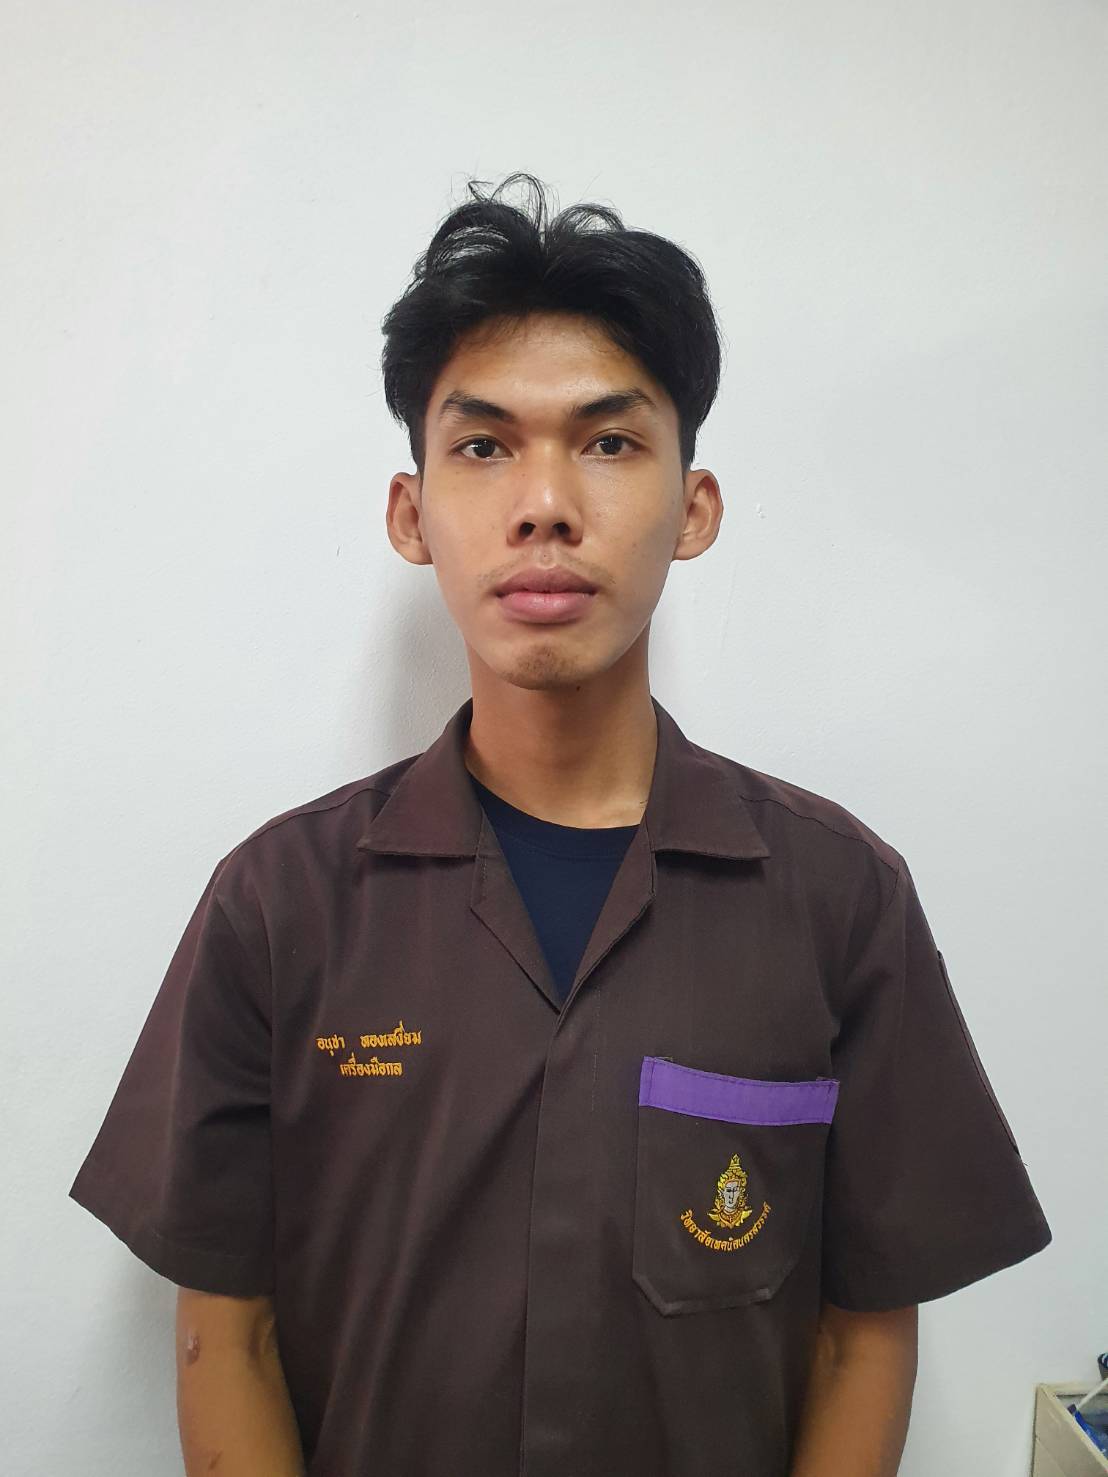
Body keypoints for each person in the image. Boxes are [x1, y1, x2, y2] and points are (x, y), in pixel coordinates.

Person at [68, 171, 1052, 1477]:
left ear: (693, 508)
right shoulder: (279, 905)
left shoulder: (838, 901)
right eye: (484, 446)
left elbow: (857, 1340)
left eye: (609, 442)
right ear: (411, 514)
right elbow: (225, 1341)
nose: (545, 503)